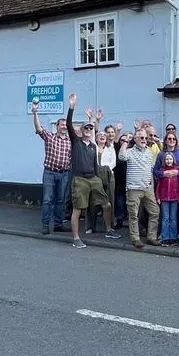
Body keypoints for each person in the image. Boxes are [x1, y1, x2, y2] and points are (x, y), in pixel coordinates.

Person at [65, 94, 116, 248]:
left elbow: (95, 163)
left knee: (106, 204)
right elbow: (68, 124)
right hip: (79, 179)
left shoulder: (93, 146)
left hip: (93, 178)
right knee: (78, 209)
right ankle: (76, 238)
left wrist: (98, 179)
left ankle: (108, 229)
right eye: (86, 128)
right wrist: (72, 106)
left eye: (90, 128)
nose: (88, 129)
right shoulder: (76, 142)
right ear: (81, 131)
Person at [31, 101, 71, 235]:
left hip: (64, 173)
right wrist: (35, 112)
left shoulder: (70, 141)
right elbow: (38, 129)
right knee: (48, 199)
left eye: (66, 125)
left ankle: (58, 224)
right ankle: (45, 225)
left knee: (60, 200)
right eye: (62, 125)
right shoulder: (50, 137)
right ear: (57, 126)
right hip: (50, 172)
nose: (64, 127)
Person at [118, 127, 159, 249]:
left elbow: (150, 170)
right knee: (133, 214)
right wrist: (126, 141)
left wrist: (151, 184)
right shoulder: (130, 151)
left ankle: (151, 237)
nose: (144, 140)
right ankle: (135, 238)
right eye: (141, 138)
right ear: (135, 139)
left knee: (155, 212)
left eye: (145, 138)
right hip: (134, 188)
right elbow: (121, 156)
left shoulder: (149, 152)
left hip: (147, 188)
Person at [86, 130, 117, 236]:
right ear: (96, 138)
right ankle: (90, 227)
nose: (103, 137)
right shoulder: (93, 147)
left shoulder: (110, 149)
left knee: (109, 201)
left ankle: (109, 226)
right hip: (95, 176)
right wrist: (92, 120)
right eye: (100, 135)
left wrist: (105, 170)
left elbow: (113, 162)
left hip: (108, 176)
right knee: (93, 201)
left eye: (104, 135)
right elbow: (91, 134)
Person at [155, 152, 179, 247]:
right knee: (165, 218)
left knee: (173, 218)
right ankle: (165, 237)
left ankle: (173, 237)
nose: (168, 161)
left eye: (170, 159)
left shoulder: (177, 171)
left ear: (173, 160)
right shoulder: (162, 171)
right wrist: (158, 197)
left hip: (174, 197)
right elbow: (158, 186)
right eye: (167, 159)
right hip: (164, 198)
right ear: (164, 161)